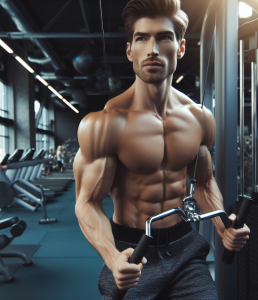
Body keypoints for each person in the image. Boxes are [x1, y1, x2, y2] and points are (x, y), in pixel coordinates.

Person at [74, 1, 250, 299]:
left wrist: (224, 229)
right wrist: (111, 256)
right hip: (133, 252)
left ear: (180, 48)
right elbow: (87, 202)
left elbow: (204, 182)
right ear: (130, 50)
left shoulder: (199, 118)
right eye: (142, 38)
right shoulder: (106, 123)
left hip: (185, 249)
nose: (152, 48)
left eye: (164, 37)